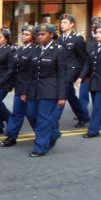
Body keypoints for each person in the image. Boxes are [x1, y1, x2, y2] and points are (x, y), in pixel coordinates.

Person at [24, 24, 66, 157]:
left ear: (51, 35)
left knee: (43, 119)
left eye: (43, 34)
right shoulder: (36, 50)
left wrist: (61, 96)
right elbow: (30, 73)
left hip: (50, 89)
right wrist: (25, 91)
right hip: (34, 89)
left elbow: (62, 75)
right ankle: (53, 133)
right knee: (31, 114)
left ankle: (41, 147)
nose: (40, 37)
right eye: (38, 34)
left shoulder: (59, 50)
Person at [1, 26, 38, 147]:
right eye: (23, 34)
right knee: (17, 112)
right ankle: (11, 136)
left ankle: (43, 134)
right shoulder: (19, 50)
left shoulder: (35, 50)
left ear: (33, 37)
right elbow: (13, 69)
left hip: (30, 87)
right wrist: (3, 82)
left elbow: (33, 72)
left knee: (32, 114)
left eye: (27, 34)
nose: (23, 36)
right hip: (19, 86)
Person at [57, 14, 90, 128]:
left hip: (71, 71)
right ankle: (83, 117)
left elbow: (83, 58)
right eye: (61, 22)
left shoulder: (77, 38)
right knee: (70, 95)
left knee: (62, 93)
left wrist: (81, 76)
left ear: (72, 24)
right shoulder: (59, 39)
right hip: (61, 70)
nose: (62, 25)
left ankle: (53, 121)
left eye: (65, 22)